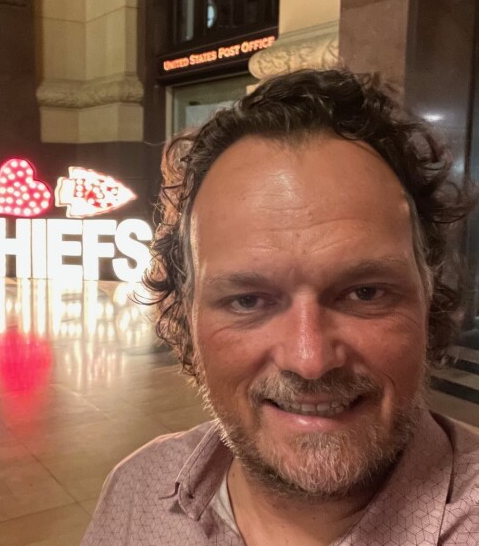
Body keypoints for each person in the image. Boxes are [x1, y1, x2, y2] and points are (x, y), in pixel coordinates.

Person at [81, 69, 479, 545]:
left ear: (429, 292)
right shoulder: (137, 491)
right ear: (185, 317)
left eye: (365, 293)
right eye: (248, 300)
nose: (309, 360)